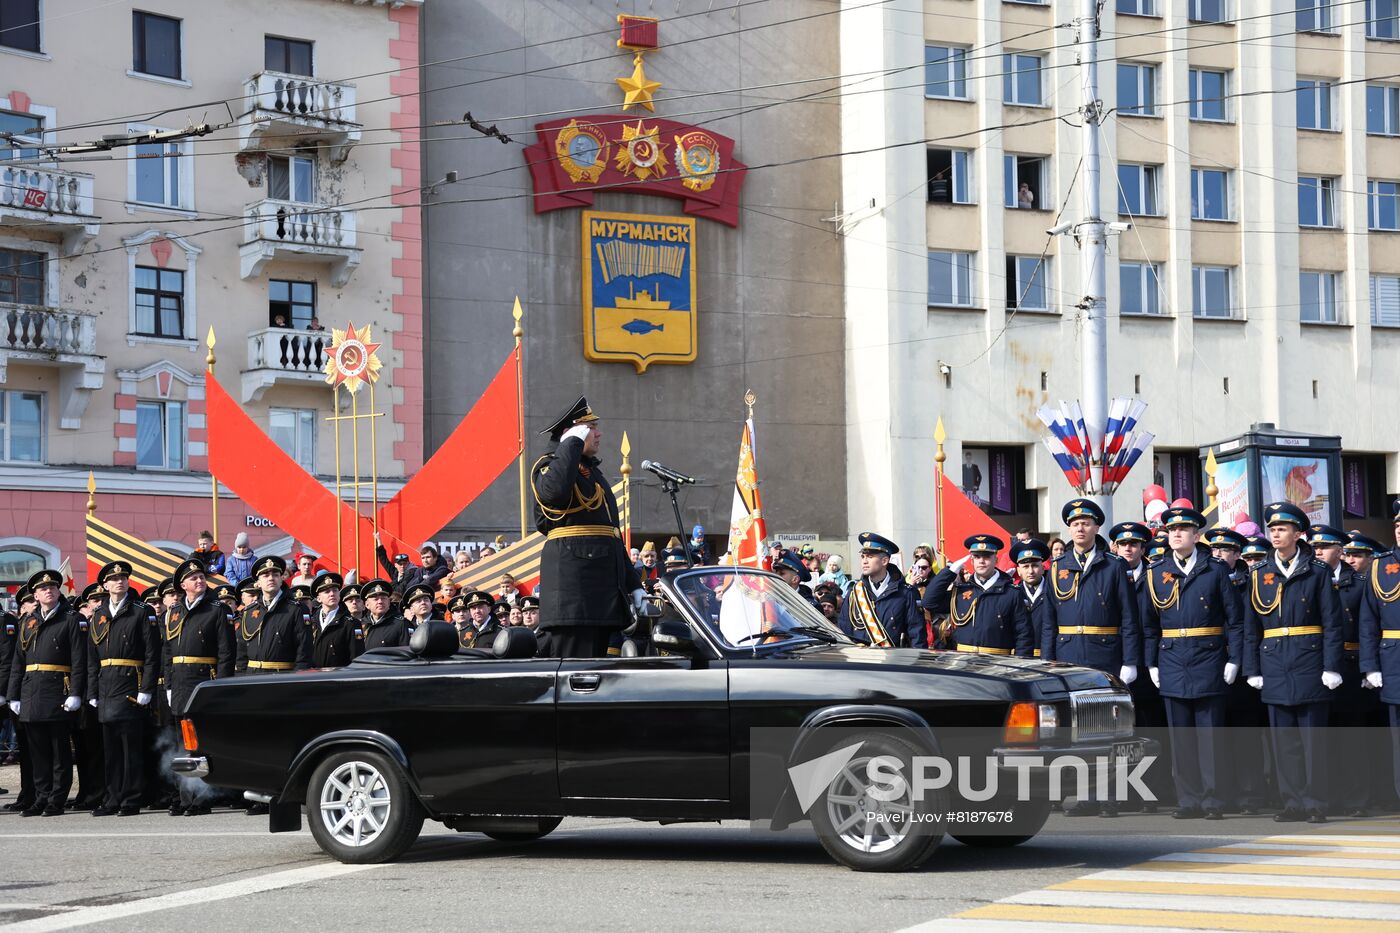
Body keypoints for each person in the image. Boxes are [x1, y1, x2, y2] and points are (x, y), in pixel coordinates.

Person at [1243, 502, 1345, 824]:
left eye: (1282, 528)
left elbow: (1332, 623)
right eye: (1272, 529)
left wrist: (1331, 666)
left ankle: (1316, 802)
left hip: (1309, 660)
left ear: (1298, 533)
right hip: (1274, 661)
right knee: (1283, 740)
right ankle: (1293, 802)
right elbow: (1250, 627)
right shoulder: (1259, 574)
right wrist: (1252, 669)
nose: (1275, 533)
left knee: (1313, 741)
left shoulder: (1317, 571)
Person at [1142, 507, 1242, 821]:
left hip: (1209, 657)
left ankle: (1214, 799)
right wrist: (1152, 663)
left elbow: (1235, 620)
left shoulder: (1215, 570)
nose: (1176, 534)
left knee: (1210, 736)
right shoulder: (1156, 571)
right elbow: (1148, 624)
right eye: (1172, 529)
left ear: (1196, 536)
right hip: (1172, 659)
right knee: (1181, 736)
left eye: (1183, 529)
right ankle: (1189, 799)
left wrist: (1234, 658)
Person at [1044, 500, 1141, 817]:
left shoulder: (1113, 566)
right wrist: (1046, 663)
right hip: (1069, 654)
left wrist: (1130, 661)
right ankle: (1084, 795)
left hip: (1105, 653)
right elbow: (1048, 621)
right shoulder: (1057, 567)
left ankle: (1110, 795)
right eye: (1075, 524)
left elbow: (1129, 617)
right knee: (1077, 731)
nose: (1080, 528)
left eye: (1086, 523)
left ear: (1097, 527)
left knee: (1110, 730)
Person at [530, 396, 644, 658]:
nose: (599, 433)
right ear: (573, 433)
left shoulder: (589, 471)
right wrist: (570, 443)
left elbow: (609, 536)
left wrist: (632, 582)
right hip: (575, 595)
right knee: (574, 675)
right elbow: (554, 494)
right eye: (591, 428)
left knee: (598, 676)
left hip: (601, 594)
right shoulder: (549, 466)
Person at [6, 569, 86, 817]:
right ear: (36, 595)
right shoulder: (27, 621)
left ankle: (56, 799)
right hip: (31, 692)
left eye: (52, 587)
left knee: (58, 752)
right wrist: (13, 695)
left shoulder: (70, 619)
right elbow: (18, 661)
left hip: (57, 692)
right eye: (43, 589)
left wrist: (75, 693)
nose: (48, 590)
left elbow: (79, 659)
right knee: (37, 753)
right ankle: (41, 798)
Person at [1308, 524, 1373, 816]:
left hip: (1350, 666)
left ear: (1340, 551)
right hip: (1315, 666)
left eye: (1325, 547)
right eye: (1315, 547)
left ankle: (1357, 799)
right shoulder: (1307, 580)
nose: (1318, 552)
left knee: (1352, 739)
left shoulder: (1358, 583)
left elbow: (1369, 628)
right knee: (1322, 740)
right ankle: (1327, 797)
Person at [85, 561, 160, 817]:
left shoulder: (141, 610)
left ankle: (131, 798)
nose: (120, 581)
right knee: (111, 750)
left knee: (131, 750)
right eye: (114, 579)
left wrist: (146, 688)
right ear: (105, 585)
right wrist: (92, 692)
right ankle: (112, 797)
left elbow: (152, 654)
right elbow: (92, 658)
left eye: (123, 578)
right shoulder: (98, 614)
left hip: (131, 684)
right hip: (106, 686)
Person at [163, 559, 235, 816]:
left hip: (204, 680)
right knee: (181, 744)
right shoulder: (174, 611)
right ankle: (185, 798)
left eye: (201, 577)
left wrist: (221, 686)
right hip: (180, 682)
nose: (199, 580)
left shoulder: (217, 609)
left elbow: (227, 653)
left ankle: (202, 799)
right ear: (183, 585)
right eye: (193, 578)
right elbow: (168, 651)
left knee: (200, 743)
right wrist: (169, 685)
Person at [923, 535, 1033, 656]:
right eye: (976, 557)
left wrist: (1019, 666)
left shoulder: (1011, 593)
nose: (981, 561)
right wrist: (949, 572)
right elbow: (929, 602)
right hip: (964, 662)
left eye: (986, 556)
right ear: (972, 561)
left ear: (995, 559)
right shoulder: (960, 591)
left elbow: (1023, 635)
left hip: (998, 662)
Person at [1359, 501, 1400, 813]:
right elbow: (1368, 622)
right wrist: (1370, 666)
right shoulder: (1380, 567)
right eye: (1398, 526)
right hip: (1394, 662)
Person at [838, 533, 926, 648]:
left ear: (884, 561)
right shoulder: (854, 593)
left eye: (870, 557)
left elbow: (917, 635)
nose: (864, 561)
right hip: (860, 661)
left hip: (894, 662)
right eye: (863, 556)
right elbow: (844, 632)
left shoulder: (906, 593)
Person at [237, 556, 312, 676]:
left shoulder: (297, 609)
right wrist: (240, 679)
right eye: (265, 576)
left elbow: (304, 651)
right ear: (258, 583)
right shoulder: (248, 612)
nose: (271, 578)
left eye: (275, 575)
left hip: (282, 678)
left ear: (281, 579)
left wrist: (297, 681)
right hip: (251, 678)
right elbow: (241, 652)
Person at [1011, 539, 1054, 659]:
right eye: (1025, 566)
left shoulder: (1055, 592)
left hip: (1050, 657)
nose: (1030, 571)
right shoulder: (1013, 594)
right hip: (1019, 658)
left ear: (1043, 567)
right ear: (1018, 571)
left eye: (1035, 566)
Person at [309, 573, 361, 669]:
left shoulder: (351, 623)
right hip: (313, 677)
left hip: (338, 678)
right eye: (327, 591)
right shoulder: (311, 622)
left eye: (335, 590)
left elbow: (356, 657)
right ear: (318, 598)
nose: (332, 594)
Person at [359, 579, 408, 650]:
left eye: (383, 598)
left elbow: (406, 653)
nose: (380, 602)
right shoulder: (361, 624)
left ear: (388, 602)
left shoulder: (401, 624)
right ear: (367, 604)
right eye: (375, 599)